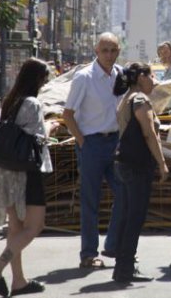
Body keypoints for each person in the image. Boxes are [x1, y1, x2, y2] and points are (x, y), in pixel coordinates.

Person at [0, 58, 56, 297]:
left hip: (6, 172)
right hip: (27, 173)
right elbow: (37, 139)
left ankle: (19, 281)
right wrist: (51, 127)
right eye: (44, 79)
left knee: (16, 229)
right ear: (36, 79)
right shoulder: (33, 103)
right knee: (34, 226)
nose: (45, 83)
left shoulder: (11, 100)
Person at [62, 32, 124, 269]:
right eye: (105, 50)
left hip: (115, 142)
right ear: (96, 52)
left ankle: (113, 245)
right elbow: (67, 115)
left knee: (124, 193)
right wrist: (82, 142)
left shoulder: (120, 76)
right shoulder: (84, 77)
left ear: (118, 51)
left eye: (113, 50)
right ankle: (88, 254)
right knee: (91, 201)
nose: (109, 55)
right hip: (92, 144)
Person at [111, 63, 170, 283]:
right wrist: (162, 162)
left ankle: (123, 266)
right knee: (134, 218)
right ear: (142, 77)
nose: (154, 80)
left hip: (125, 163)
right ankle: (125, 268)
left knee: (128, 216)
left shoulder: (127, 98)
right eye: (152, 75)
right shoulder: (140, 100)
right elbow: (149, 134)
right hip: (137, 165)